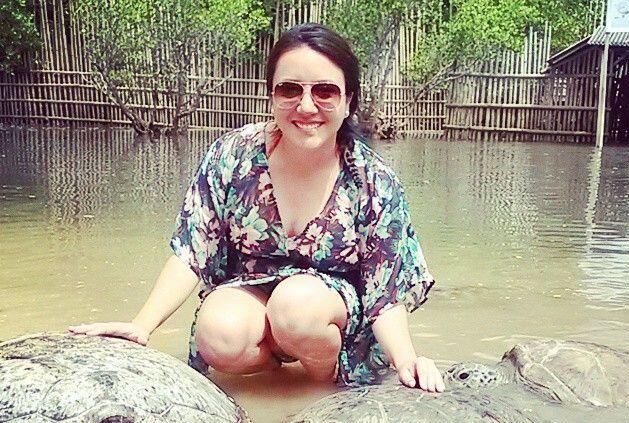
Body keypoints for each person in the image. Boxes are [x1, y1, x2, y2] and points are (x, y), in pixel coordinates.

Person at [70, 23, 445, 393]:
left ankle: (322, 384)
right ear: (271, 97)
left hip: (324, 316)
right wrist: (143, 325)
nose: (306, 105)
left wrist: (406, 360)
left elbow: (385, 292)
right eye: (289, 90)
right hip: (251, 292)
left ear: (349, 102)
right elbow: (191, 249)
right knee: (217, 332)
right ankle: (279, 384)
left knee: (296, 306)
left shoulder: (372, 180)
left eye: (326, 91)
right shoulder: (234, 155)